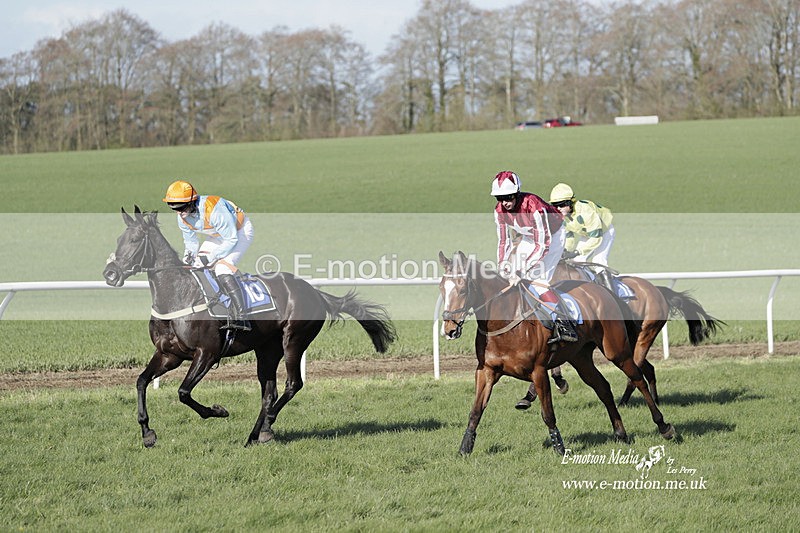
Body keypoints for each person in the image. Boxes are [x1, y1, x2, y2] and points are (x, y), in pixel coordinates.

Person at [491, 170, 578, 344]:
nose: (505, 203)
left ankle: (564, 323)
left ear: (516, 194)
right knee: (508, 277)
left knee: (538, 282)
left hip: (552, 238)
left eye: (508, 197)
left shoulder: (534, 207)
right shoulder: (499, 211)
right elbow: (503, 242)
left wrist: (522, 270)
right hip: (530, 237)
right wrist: (503, 266)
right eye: (500, 198)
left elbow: (543, 244)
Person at [162, 180, 255, 331]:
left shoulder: (214, 209)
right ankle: (213, 305)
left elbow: (231, 239)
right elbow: (191, 243)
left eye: (182, 208)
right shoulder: (182, 216)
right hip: (218, 235)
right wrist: (188, 258)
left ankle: (242, 317)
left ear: (192, 201)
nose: (180, 213)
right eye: (174, 208)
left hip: (240, 232)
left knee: (221, 269)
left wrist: (210, 258)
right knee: (196, 267)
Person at [549, 183, 615, 287]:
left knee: (599, 262)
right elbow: (569, 237)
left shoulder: (585, 211)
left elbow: (596, 238)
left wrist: (577, 251)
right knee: (577, 261)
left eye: (561, 204)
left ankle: (614, 297)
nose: (558, 208)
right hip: (586, 233)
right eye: (554, 205)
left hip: (603, 232)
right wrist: (565, 251)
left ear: (570, 203)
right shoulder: (562, 216)